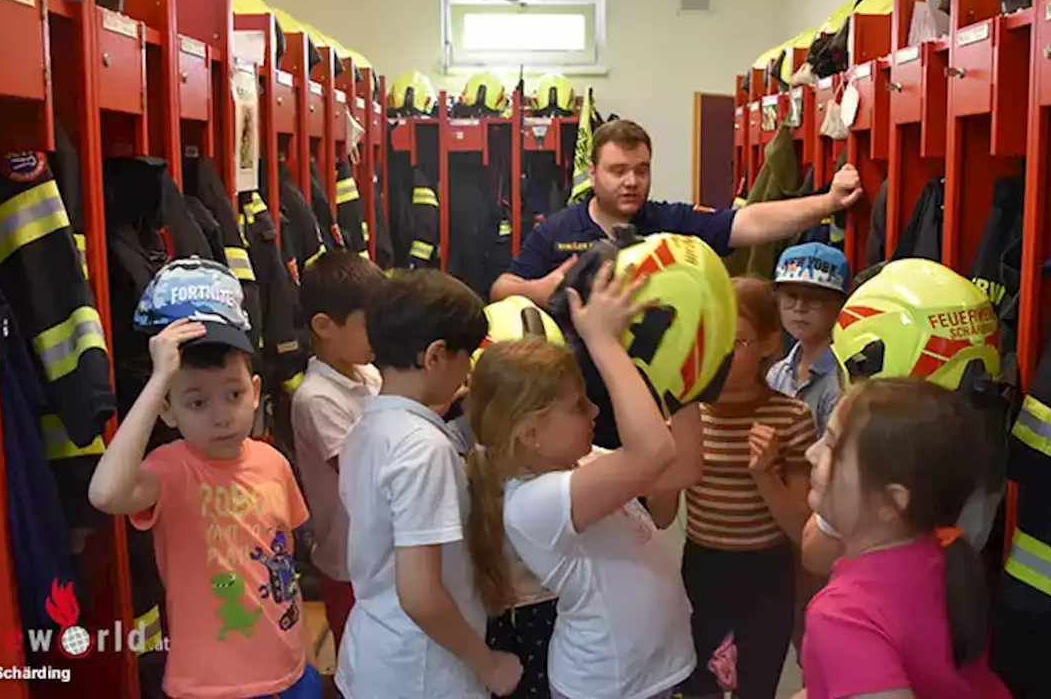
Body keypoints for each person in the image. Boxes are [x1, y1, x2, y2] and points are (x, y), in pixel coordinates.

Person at [467, 263, 705, 699]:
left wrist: (686, 374)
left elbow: (682, 466)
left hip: (650, 672)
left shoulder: (580, 463)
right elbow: (654, 452)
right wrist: (601, 341)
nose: (595, 413)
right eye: (579, 406)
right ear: (531, 435)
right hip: (607, 685)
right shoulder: (533, 503)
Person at [87, 259, 321, 699]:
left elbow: (282, 568)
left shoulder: (273, 463)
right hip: (210, 686)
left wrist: (303, 656)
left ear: (255, 391)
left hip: (290, 673)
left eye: (233, 395)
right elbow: (105, 493)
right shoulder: (171, 469)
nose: (221, 417)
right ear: (168, 411)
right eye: (197, 403)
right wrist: (160, 379)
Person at [334, 269, 521, 699]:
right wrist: (488, 664)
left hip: (374, 655)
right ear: (435, 355)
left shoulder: (368, 427)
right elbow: (420, 595)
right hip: (421, 674)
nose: (470, 367)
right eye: (466, 355)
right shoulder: (423, 448)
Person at [648, 277, 816, 699]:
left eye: (737, 341)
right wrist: (664, 457)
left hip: (767, 574)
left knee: (755, 685)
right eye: (709, 338)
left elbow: (802, 530)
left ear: (768, 343)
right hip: (703, 568)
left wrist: (765, 476)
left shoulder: (792, 418)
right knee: (698, 683)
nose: (719, 354)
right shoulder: (688, 416)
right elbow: (661, 516)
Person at [491, 119, 863, 307]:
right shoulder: (557, 230)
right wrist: (543, 289)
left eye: (642, 169)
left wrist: (828, 203)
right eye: (618, 171)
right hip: (577, 385)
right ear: (593, 173)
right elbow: (501, 290)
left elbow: (747, 222)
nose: (632, 181)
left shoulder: (668, 222)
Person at [797, 378, 1010, 699]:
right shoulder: (942, 554)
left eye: (830, 445)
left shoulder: (845, 616)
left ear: (892, 502)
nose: (810, 453)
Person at [291, 252, 386, 646]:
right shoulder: (316, 398)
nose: (382, 334)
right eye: (371, 325)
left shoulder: (369, 373)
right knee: (359, 657)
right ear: (324, 326)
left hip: (383, 554)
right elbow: (363, 473)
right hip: (348, 562)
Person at [766, 243, 849, 436]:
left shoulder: (843, 379)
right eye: (791, 296)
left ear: (840, 304)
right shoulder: (777, 373)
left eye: (815, 298)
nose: (799, 307)